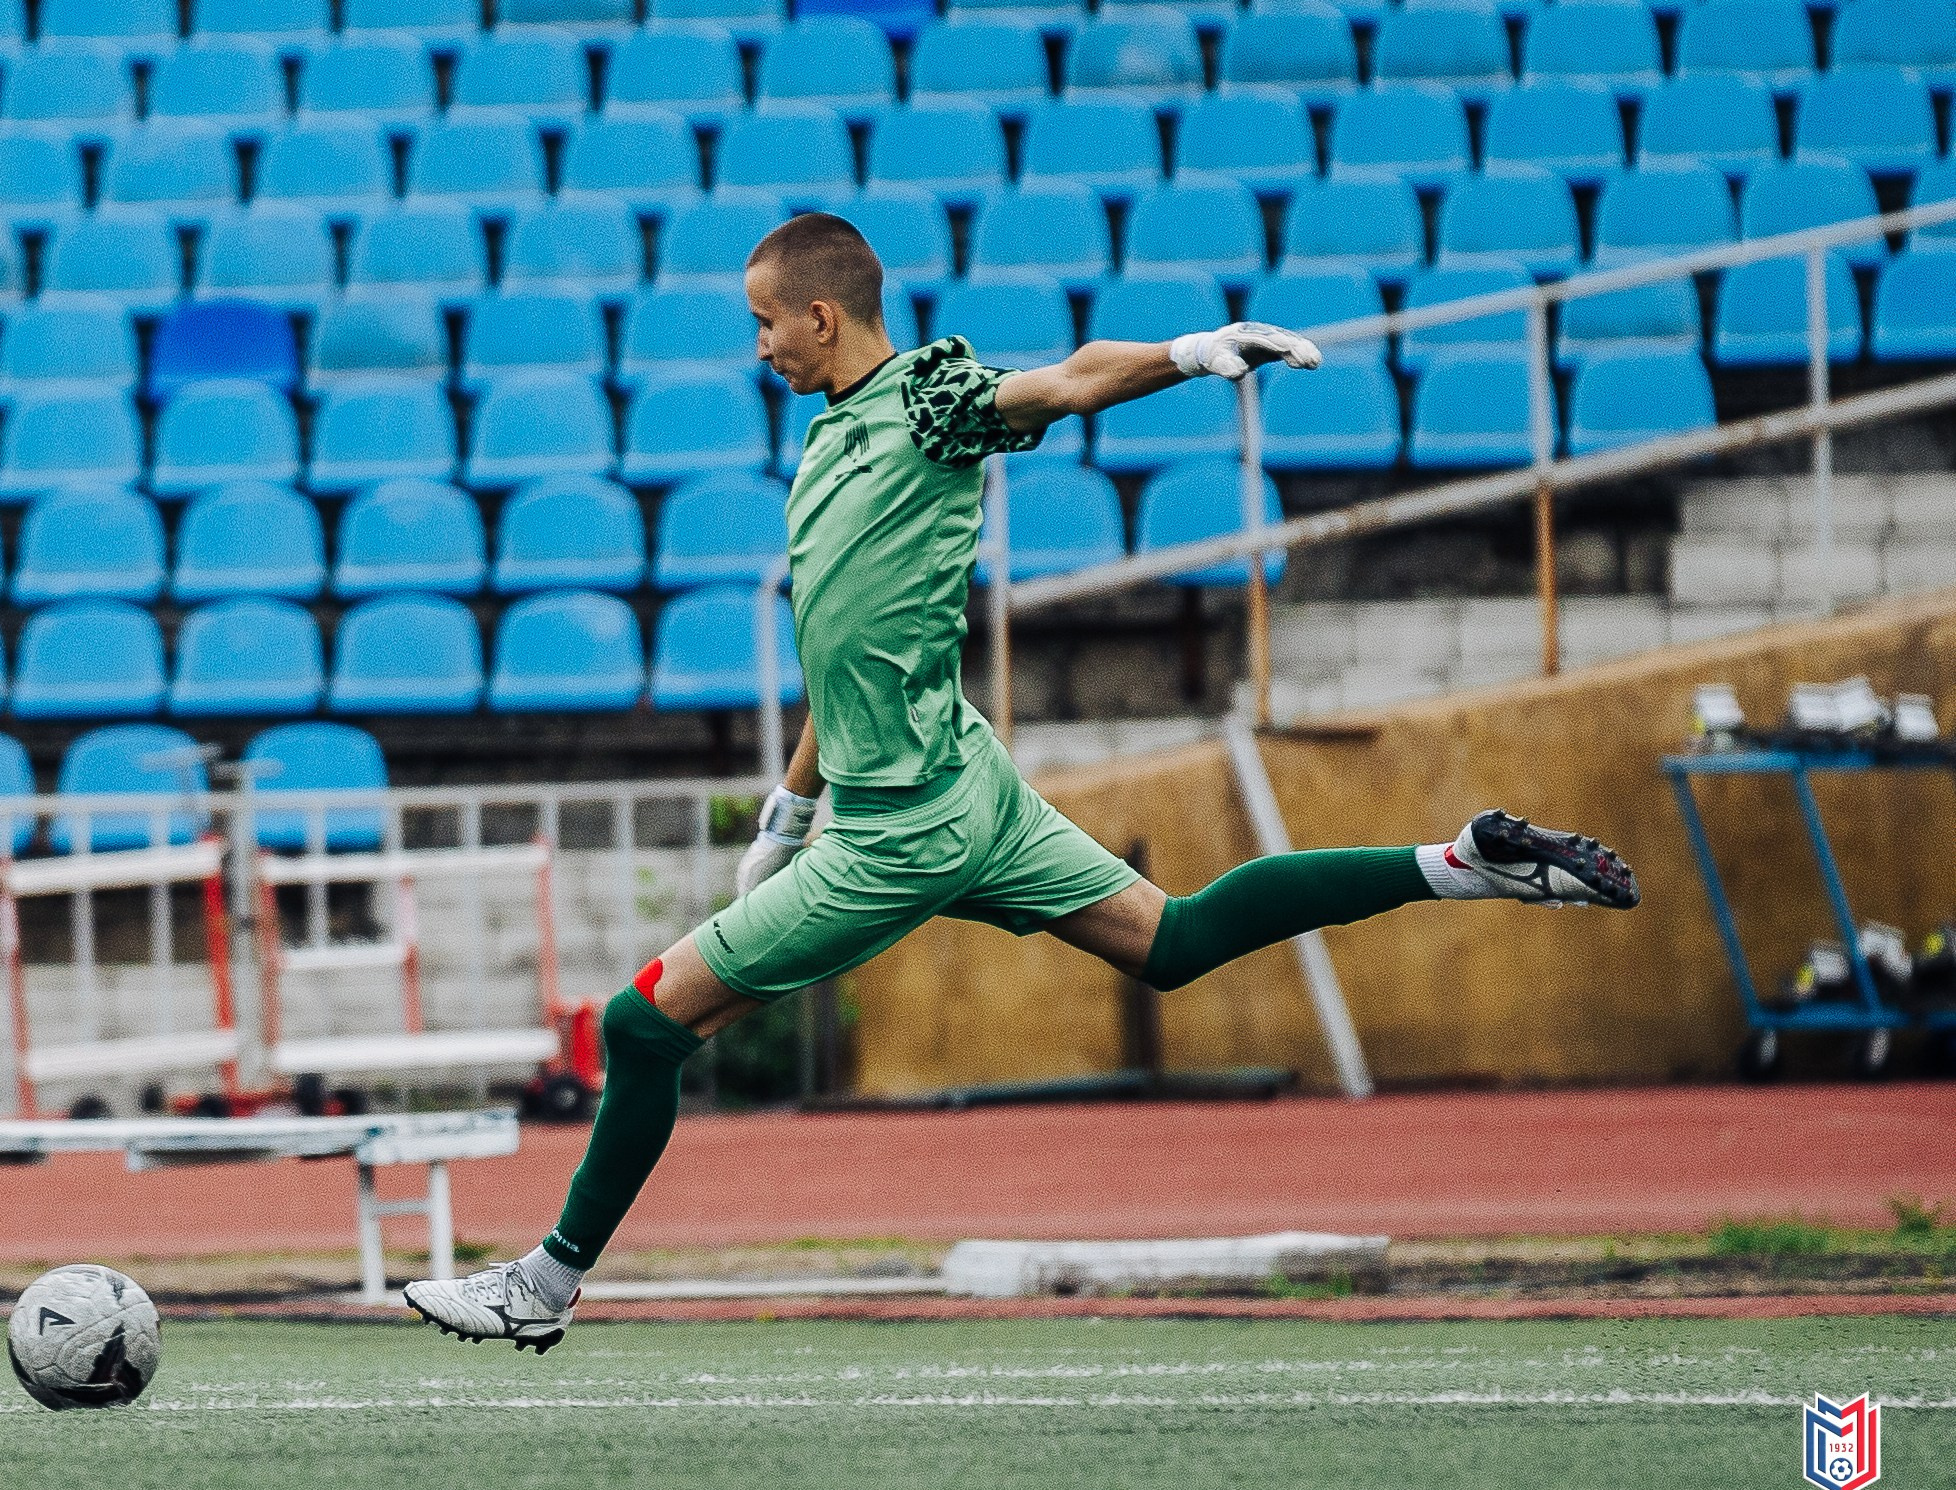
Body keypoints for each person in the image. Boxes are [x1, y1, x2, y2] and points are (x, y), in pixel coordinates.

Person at [405, 215, 1640, 1352]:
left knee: (638, 1025)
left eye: (763, 322)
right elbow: (850, 648)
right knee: (1175, 939)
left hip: (902, 833)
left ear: (821, 317)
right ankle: (1461, 864)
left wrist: (1189, 353)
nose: (760, 345)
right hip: (960, 788)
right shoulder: (835, 431)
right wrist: (790, 807)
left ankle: (544, 1285)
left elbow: (1064, 379)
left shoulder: (928, 396)